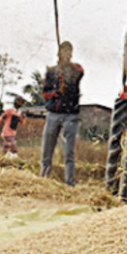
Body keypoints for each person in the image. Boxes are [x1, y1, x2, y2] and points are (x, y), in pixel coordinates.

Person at [41, 41, 84, 186]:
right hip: (53, 114)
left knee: (68, 152)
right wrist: (58, 92)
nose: (66, 55)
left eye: (68, 52)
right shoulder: (52, 71)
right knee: (47, 149)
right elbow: (45, 94)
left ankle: (69, 183)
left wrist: (65, 73)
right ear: (59, 53)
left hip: (70, 115)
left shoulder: (75, 70)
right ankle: (44, 179)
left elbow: (79, 73)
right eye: (63, 52)